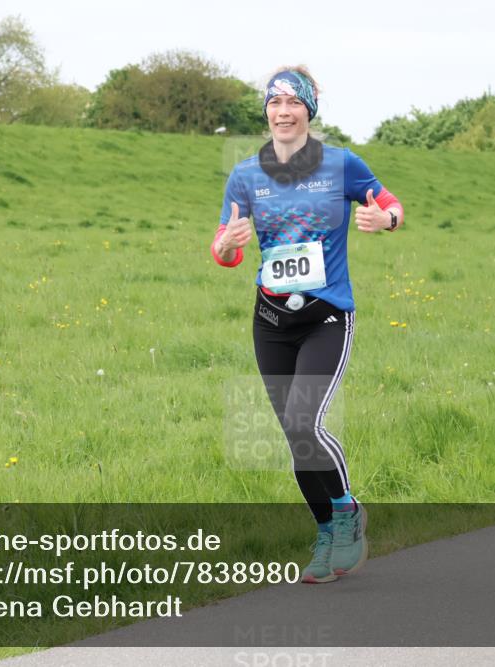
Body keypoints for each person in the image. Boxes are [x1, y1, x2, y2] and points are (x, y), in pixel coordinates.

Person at [211, 66, 403, 584]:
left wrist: (385, 221)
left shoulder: (342, 165)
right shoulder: (246, 175)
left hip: (327, 315)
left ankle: (347, 510)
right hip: (271, 319)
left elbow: (391, 205)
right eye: (274, 104)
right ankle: (325, 533)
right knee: (294, 438)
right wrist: (227, 247)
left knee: (305, 423)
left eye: (294, 104)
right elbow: (223, 246)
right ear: (266, 111)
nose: (283, 112)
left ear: (309, 111)